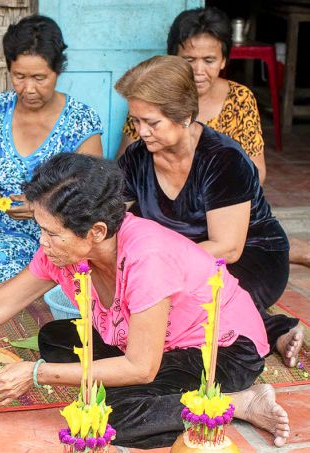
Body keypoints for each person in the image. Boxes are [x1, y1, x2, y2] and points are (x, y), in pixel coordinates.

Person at [0, 153, 290, 449]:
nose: (43, 242)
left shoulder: (145, 257)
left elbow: (142, 367)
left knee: (109, 417)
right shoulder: (66, 251)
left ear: (98, 232)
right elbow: (0, 304)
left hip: (221, 350)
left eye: (51, 233)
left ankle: (237, 403)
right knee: (56, 337)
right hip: (154, 344)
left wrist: (36, 374)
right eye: (41, 229)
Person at [115, 55, 303, 367]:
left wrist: (159, 266)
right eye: (136, 122)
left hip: (250, 256)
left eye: (152, 122)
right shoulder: (137, 157)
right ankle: (270, 327)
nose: (142, 132)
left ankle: (271, 328)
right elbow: (111, 217)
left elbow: (227, 248)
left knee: (193, 312)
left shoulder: (222, 158)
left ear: (185, 115)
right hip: (181, 258)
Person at [117, 6, 310, 269]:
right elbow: (130, 170)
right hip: (173, 212)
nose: (198, 70)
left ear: (223, 61)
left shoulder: (237, 106)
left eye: (208, 60)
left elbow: (253, 172)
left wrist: (212, 198)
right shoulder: (148, 108)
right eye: (189, 60)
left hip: (225, 205)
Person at [0, 15, 103, 294]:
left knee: (86, 273)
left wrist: (43, 206)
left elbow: (95, 195)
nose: (28, 89)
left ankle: (20, 293)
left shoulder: (81, 120)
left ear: (57, 71)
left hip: (64, 238)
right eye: (19, 77)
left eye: (40, 78)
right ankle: (37, 290)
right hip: (10, 237)